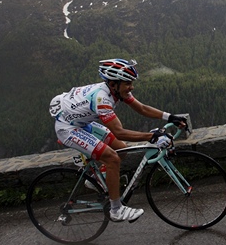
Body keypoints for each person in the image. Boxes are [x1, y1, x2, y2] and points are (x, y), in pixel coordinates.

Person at [49, 58, 187, 222]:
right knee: (112, 158)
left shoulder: (117, 90)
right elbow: (119, 131)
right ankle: (116, 210)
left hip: (82, 123)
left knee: (120, 149)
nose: (131, 86)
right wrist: (151, 136)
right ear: (114, 83)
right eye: (128, 83)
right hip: (68, 129)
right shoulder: (102, 99)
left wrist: (170, 117)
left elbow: (141, 108)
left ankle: (97, 181)